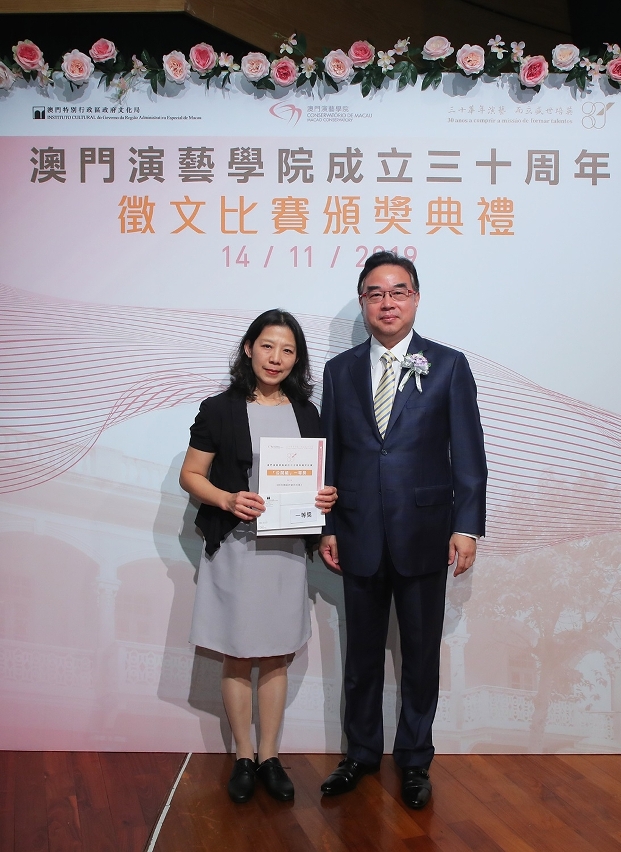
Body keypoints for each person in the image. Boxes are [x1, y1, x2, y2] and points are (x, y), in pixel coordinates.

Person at [319, 252, 487, 809]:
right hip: (358, 531)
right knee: (361, 656)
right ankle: (360, 754)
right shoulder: (340, 371)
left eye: (398, 291)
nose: (387, 302)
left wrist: (467, 526)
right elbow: (331, 453)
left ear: (415, 298)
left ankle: (415, 760)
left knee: (419, 656)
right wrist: (328, 526)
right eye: (375, 293)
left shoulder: (449, 365)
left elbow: (468, 454)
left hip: (425, 532)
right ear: (363, 302)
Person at [180, 309, 337, 804]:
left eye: (288, 350)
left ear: (297, 359)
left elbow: (318, 478)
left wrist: (325, 496)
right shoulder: (219, 409)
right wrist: (227, 499)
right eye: (267, 346)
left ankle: (270, 756)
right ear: (249, 349)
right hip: (236, 548)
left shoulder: (307, 412)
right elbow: (191, 475)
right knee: (237, 651)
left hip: (285, 549)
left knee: (275, 653)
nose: (276, 358)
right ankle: (243, 757)